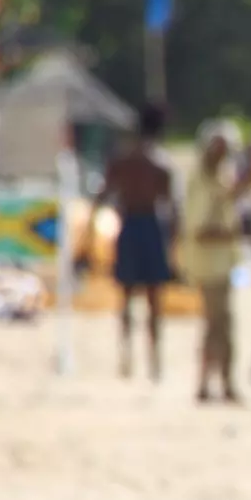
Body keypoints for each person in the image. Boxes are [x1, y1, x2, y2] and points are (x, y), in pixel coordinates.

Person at [83, 104, 176, 381]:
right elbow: (171, 206)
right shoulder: (160, 164)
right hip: (150, 225)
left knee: (125, 296)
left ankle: (126, 355)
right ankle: (154, 359)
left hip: (129, 225)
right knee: (154, 299)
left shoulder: (122, 160)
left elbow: (103, 195)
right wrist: (173, 244)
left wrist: (90, 229)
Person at [180, 119, 251, 404]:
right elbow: (200, 229)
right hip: (209, 263)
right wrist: (231, 233)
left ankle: (212, 384)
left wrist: (247, 182)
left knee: (218, 326)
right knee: (219, 327)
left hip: (222, 263)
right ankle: (218, 384)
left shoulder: (218, 176)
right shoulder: (200, 180)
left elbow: (225, 200)